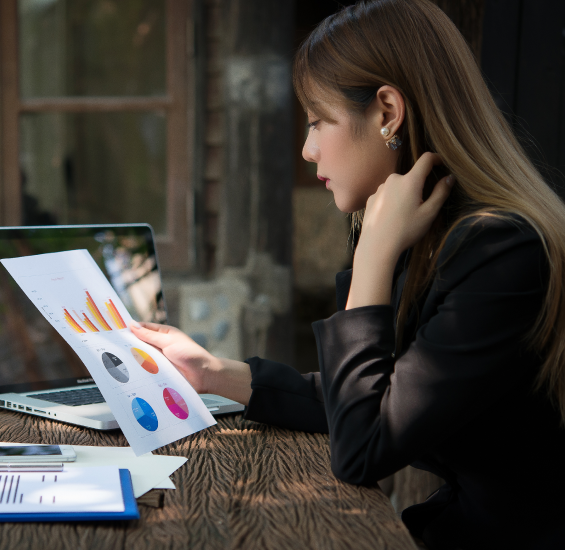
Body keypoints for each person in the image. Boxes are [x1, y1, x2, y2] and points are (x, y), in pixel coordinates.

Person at [130, 1, 565, 549]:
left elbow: (363, 446)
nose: (308, 149)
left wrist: (373, 259)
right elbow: (375, 396)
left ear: (387, 111)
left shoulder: (500, 253)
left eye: (317, 121)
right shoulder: (433, 236)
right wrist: (217, 373)